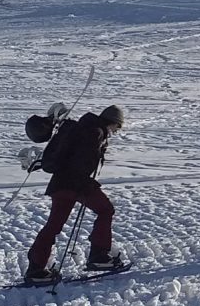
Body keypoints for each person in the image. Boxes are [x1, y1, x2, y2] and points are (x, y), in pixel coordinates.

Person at [23, 104, 126, 283]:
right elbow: (81, 163)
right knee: (106, 210)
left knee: (53, 226)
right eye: (118, 127)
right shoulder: (95, 132)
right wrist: (87, 184)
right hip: (75, 185)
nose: (116, 132)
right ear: (113, 122)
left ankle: (36, 269)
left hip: (61, 184)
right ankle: (99, 256)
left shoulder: (85, 128)